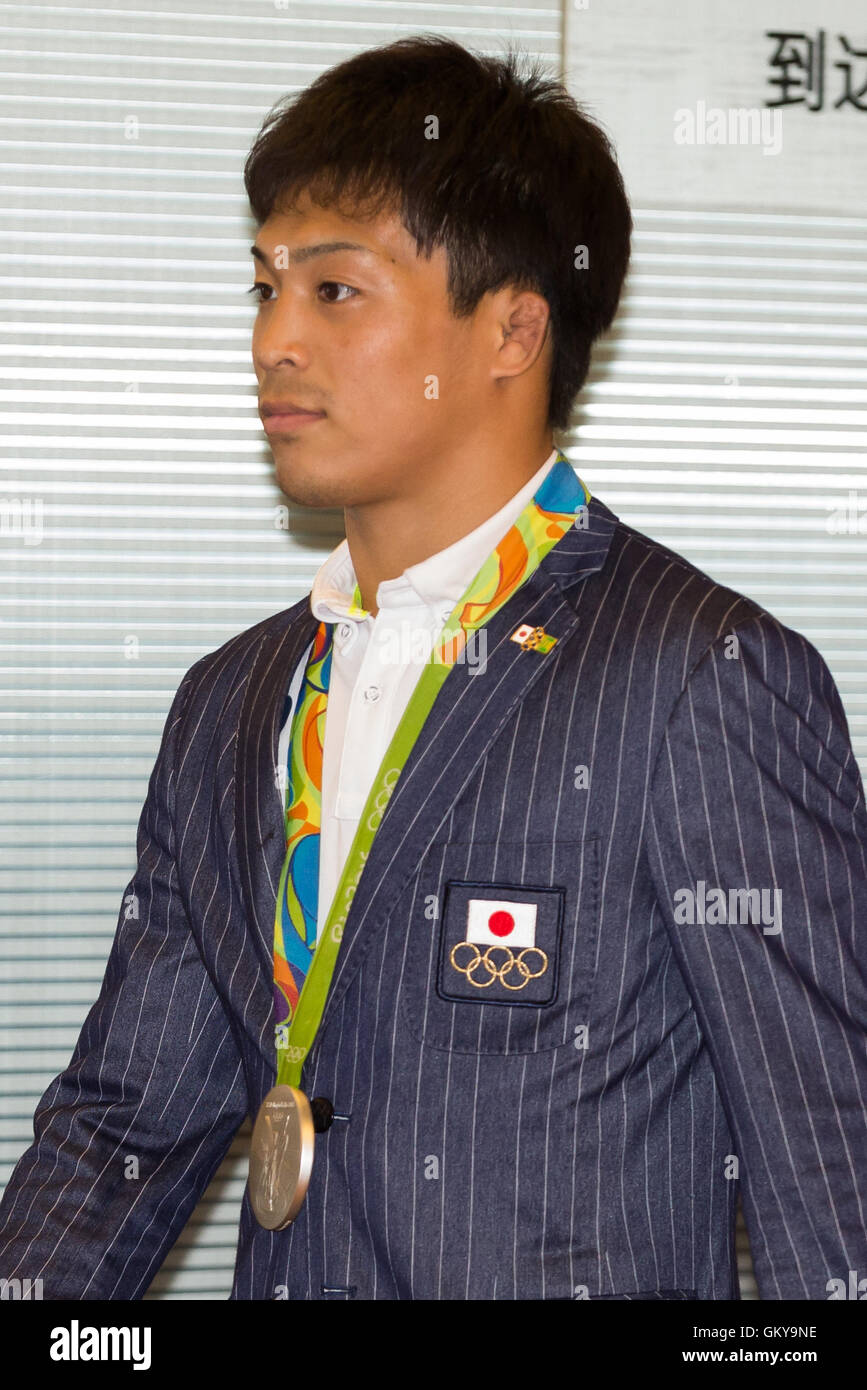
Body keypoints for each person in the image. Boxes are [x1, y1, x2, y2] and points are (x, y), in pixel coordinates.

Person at [1, 33, 865, 1302]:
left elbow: (830, 1194)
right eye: (264, 288)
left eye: (335, 291)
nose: (272, 342)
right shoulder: (233, 705)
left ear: (513, 328)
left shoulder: (700, 678)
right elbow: (123, 1130)